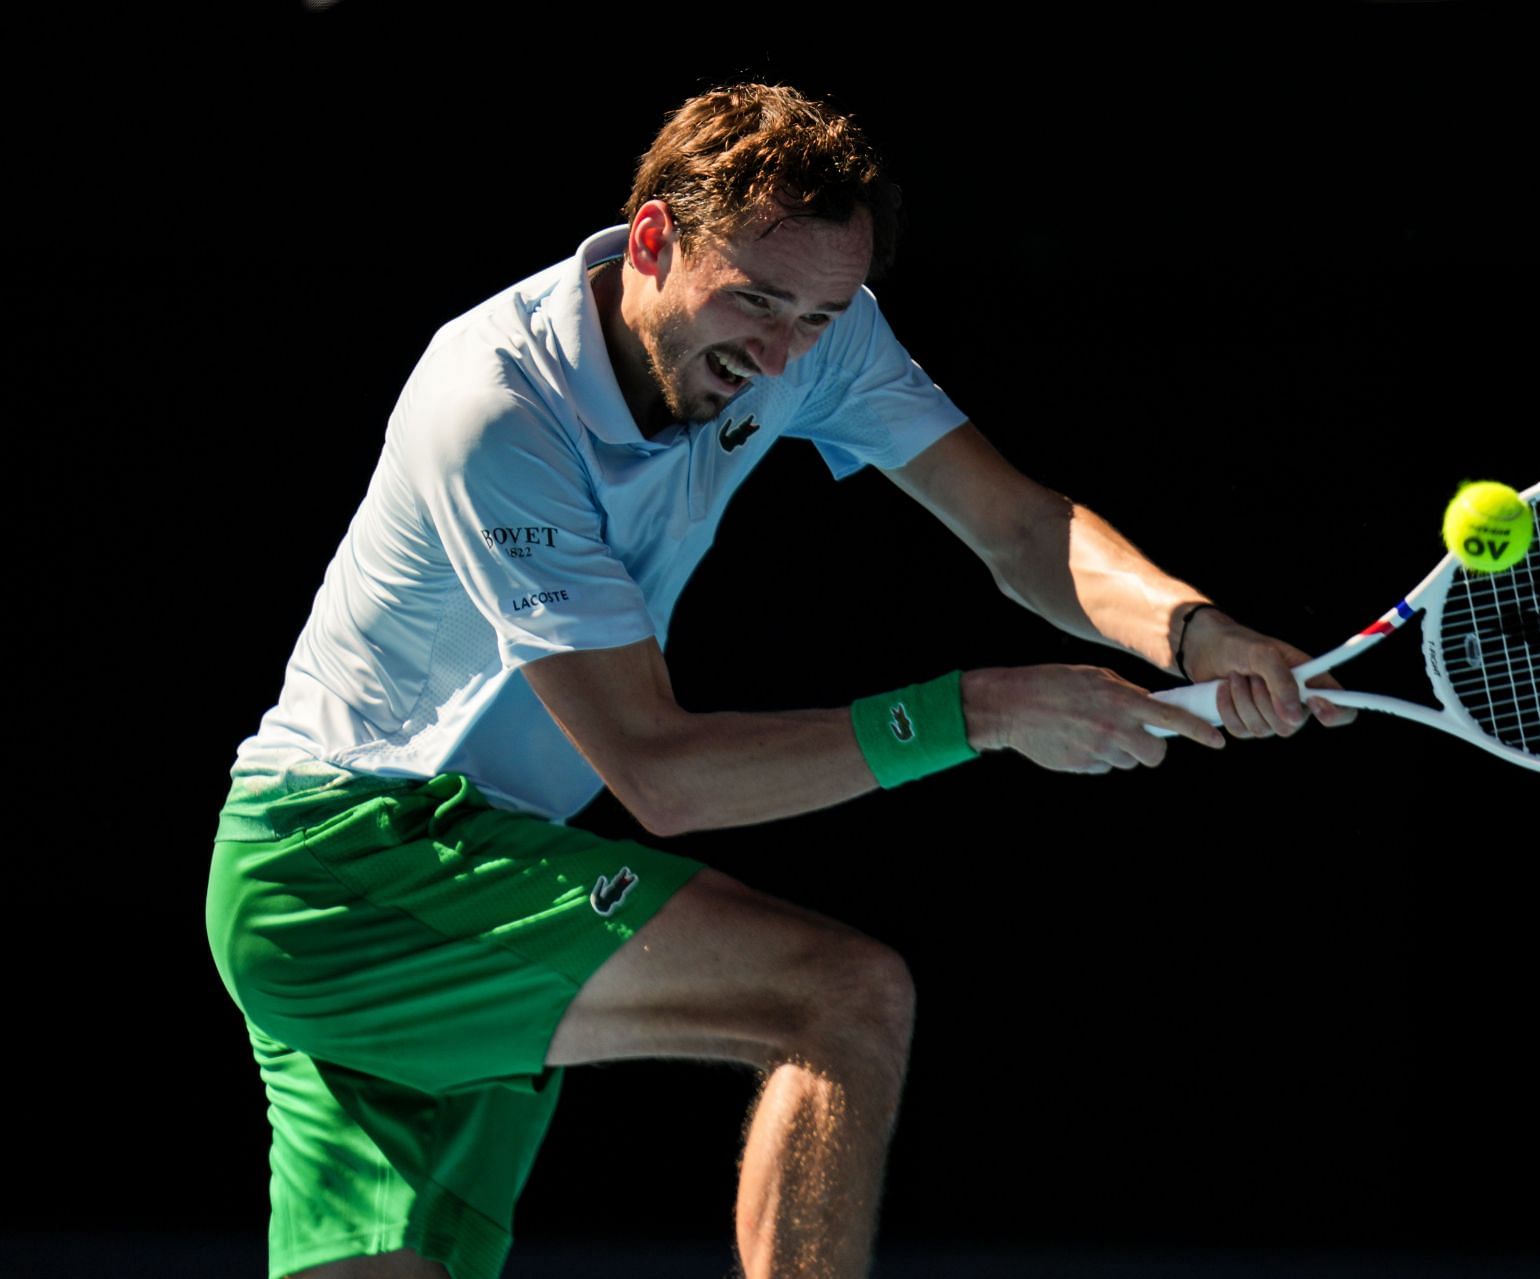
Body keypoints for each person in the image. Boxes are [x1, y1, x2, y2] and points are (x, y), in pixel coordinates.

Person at [206, 83, 1352, 1279]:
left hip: (464, 864)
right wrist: (983, 711)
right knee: (841, 1002)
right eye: (753, 302)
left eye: (817, 315)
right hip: (345, 867)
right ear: (651, 239)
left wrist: (1194, 633)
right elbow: (658, 772)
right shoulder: (496, 407)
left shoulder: (814, 330)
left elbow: (1018, 532)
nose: (778, 354)